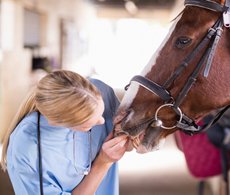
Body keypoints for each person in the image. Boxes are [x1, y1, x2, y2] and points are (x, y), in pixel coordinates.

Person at [1, 69, 128, 195]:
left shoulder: (101, 91)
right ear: (57, 123)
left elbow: (132, 142)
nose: (102, 121)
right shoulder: (27, 147)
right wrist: (102, 163)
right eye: (87, 126)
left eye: (102, 111)